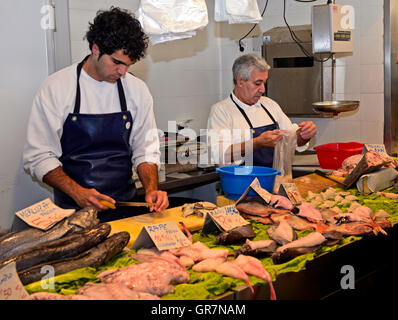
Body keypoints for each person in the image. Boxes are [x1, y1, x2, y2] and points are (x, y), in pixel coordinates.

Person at [23, 7, 168, 222]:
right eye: (117, 62)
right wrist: (78, 193)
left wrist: (151, 188)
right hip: (73, 214)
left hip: (124, 210)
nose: (123, 72)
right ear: (95, 49)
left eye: (128, 65)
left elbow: (145, 149)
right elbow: (38, 156)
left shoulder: (137, 90)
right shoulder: (57, 87)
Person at [207, 53, 317, 167]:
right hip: (241, 182)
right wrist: (257, 143)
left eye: (264, 83)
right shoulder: (221, 111)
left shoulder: (270, 105)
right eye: (257, 83)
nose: (262, 89)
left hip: (273, 180)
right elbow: (218, 155)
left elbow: (291, 142)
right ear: (240, 81)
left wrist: (303, 135)